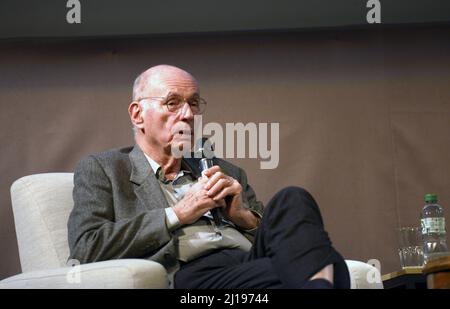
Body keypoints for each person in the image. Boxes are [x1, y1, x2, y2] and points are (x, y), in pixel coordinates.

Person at [67, 64, 350, 289]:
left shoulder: (223, 169)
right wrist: (177, 214)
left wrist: (243, 217)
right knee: (327, 265)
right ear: (138, 114)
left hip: (248, 261)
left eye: (193, 103)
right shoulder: (104, 169)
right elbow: (86, 247)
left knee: (293, 198)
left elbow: (279, 236)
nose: (188, 114)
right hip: (193, 274)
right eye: (173, 103)